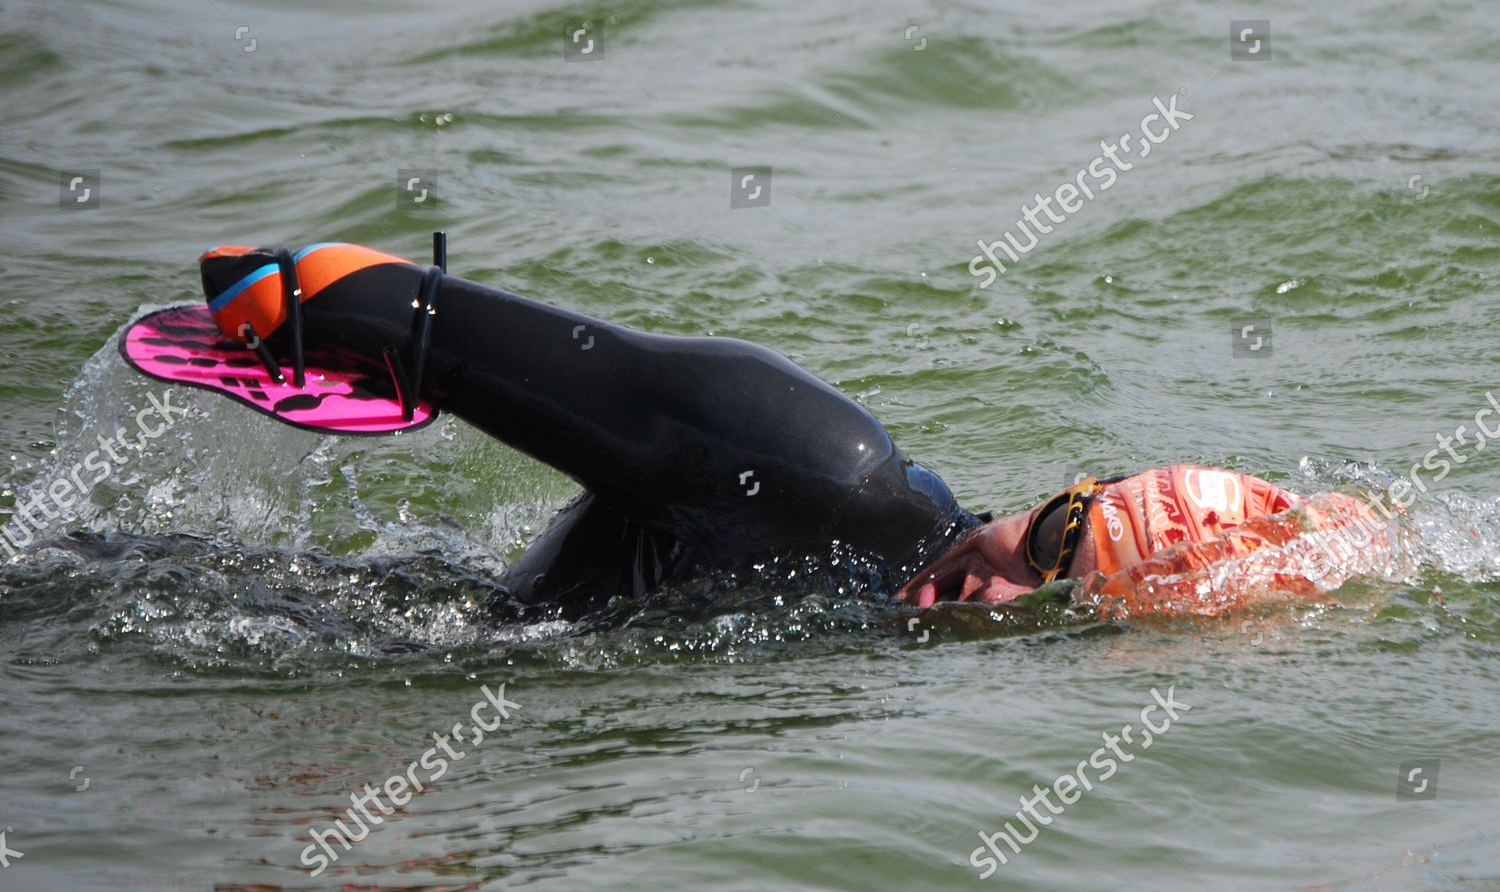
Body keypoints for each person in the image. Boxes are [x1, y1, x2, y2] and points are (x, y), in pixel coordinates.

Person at [168, 239, 1388, 619]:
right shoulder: (819, 467)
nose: (1007, 590)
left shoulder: (887, 648)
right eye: (1062, 535)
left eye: (1069, 603)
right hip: (227, 615)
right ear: (1068, 488)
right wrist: (312, 302)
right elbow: (537, 361)